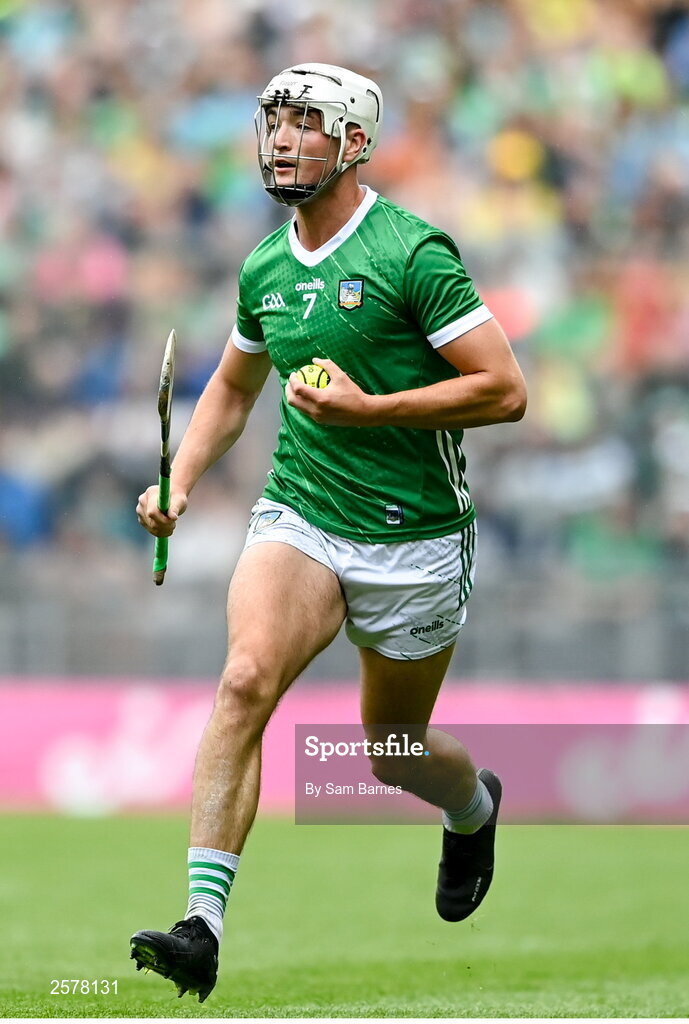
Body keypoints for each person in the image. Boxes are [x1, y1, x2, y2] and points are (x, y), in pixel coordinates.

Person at [130, 62, 527, 1003]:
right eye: (272, 122)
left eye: (304, 123)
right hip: (302, 514)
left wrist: (370, 409)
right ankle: (202, 926)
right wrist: (178, 482)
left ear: (353, 142)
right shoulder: (266, 264)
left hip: (415, 536)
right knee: (244, 679)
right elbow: (233, 386)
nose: (279, 139)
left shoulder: (411, 252)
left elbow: (506, 391)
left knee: (391, 752)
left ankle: (472, 810)